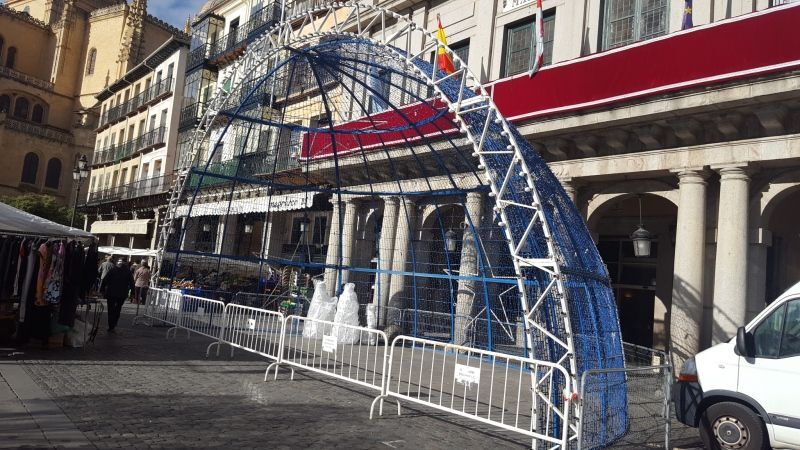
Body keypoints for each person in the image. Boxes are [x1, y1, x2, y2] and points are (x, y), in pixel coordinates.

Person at [100, 259, 134, 333]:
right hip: (122, 293)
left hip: (111, 292)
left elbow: (105, 280)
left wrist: (102, 290)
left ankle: (111, 325)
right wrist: (132, 293)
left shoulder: (113, 270)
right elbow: (132, 282)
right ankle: (114, 323)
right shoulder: (127, 271)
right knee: (118, 308)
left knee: (110, 309)